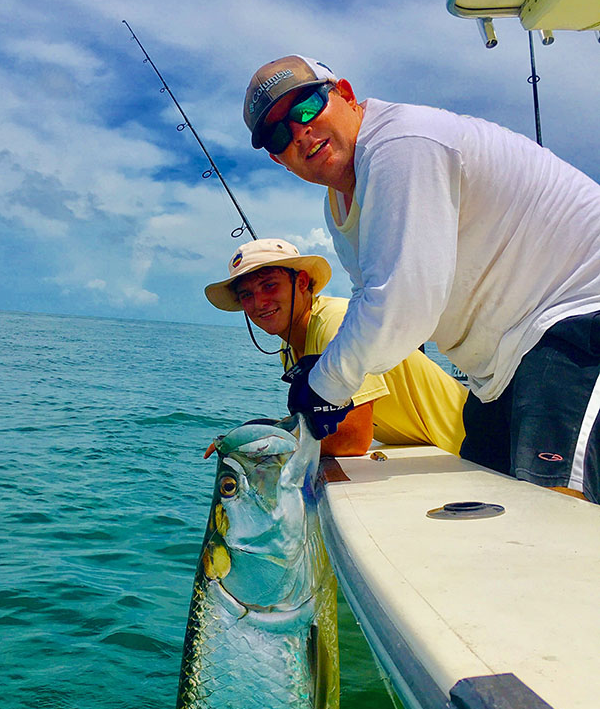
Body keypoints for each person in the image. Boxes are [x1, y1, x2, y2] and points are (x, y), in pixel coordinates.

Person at [242, 55, 600, 502]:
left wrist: (324, 385)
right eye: (279, 133)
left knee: (555, 517)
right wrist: (326, 376)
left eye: (305, 107)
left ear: (347, 95)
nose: (299, 131)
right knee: (492, 508)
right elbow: (368, 294)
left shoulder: (400, 144)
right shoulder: (340, 204)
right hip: (501, 369)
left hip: (574, 322)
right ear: (278, 159)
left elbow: (403, 304)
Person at [204, 238, 467, 458]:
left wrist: (255, 448)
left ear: (303, 283)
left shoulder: (338, 324)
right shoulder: (290, 350)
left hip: (474, 446)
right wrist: (254, 432)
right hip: (440, 451)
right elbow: (318, 426)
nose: (259, 302)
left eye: (269, 285)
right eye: (246, 295)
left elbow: (352, 439)